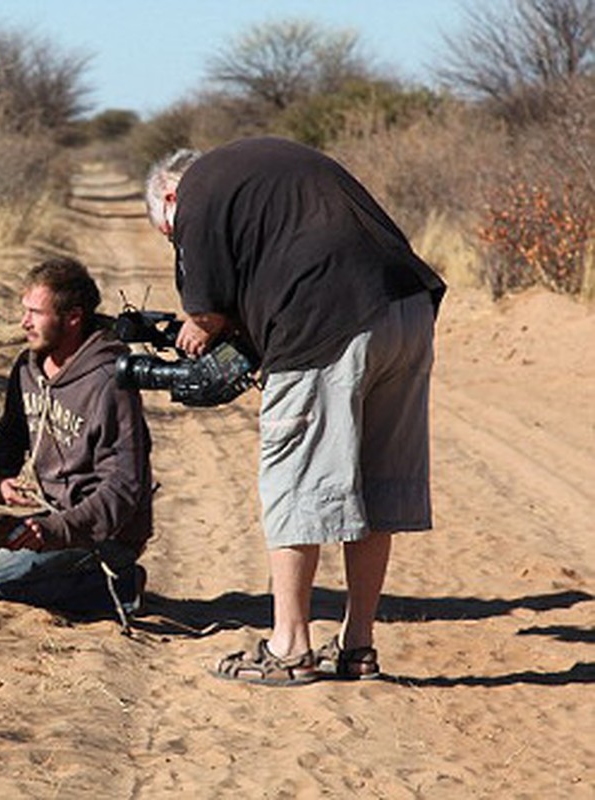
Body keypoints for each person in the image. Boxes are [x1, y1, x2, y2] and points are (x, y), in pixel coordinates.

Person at [145, 137, 445, 684]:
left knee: (292, 479)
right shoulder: (263, 171)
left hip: (327, 324)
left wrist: (190, 335)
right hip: (408, 310)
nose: (177, 240)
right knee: (377, 484)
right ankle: (358, 644)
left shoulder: (195, 192)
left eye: (171, 235)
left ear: (168, 196)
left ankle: (289, 647)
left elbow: (207, 315)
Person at [0, 257, 153, 618]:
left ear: (72, 318)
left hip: (102, 533)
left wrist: (58, 530)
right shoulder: (27, 367)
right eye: (25, 311)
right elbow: (8, 437)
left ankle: (119, 584)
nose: (24, 323)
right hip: (52, 518)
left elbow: (124, 486)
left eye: (35, 313)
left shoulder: (109, 380)